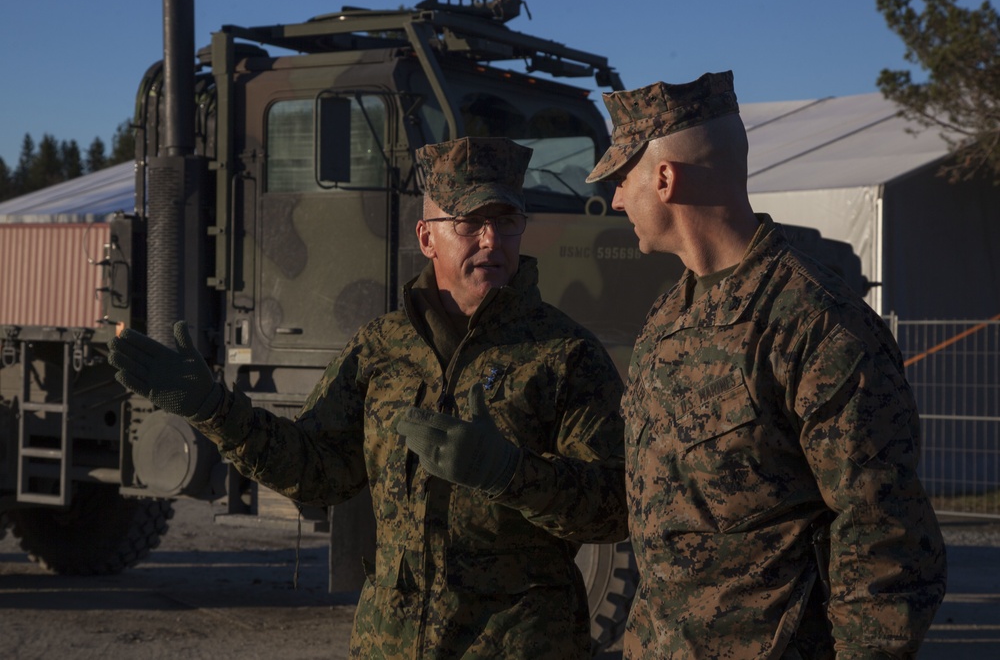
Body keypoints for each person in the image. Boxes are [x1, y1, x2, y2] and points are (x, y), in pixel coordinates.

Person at [108, 136, 628, 659]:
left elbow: (614, 508)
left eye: (507, 221)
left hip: (522, 645)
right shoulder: (381, 347)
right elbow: (316, 471)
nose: (492, 240)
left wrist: (507, 474)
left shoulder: (566, 354)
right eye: (470, 222)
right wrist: (215, 411)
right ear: (428, 237)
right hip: (391, 643)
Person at [585, 71, 947, 659]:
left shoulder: (816, 322)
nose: (616, 198)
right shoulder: (666, 321)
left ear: (665, 177)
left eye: (623, 179)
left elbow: (882, 537)